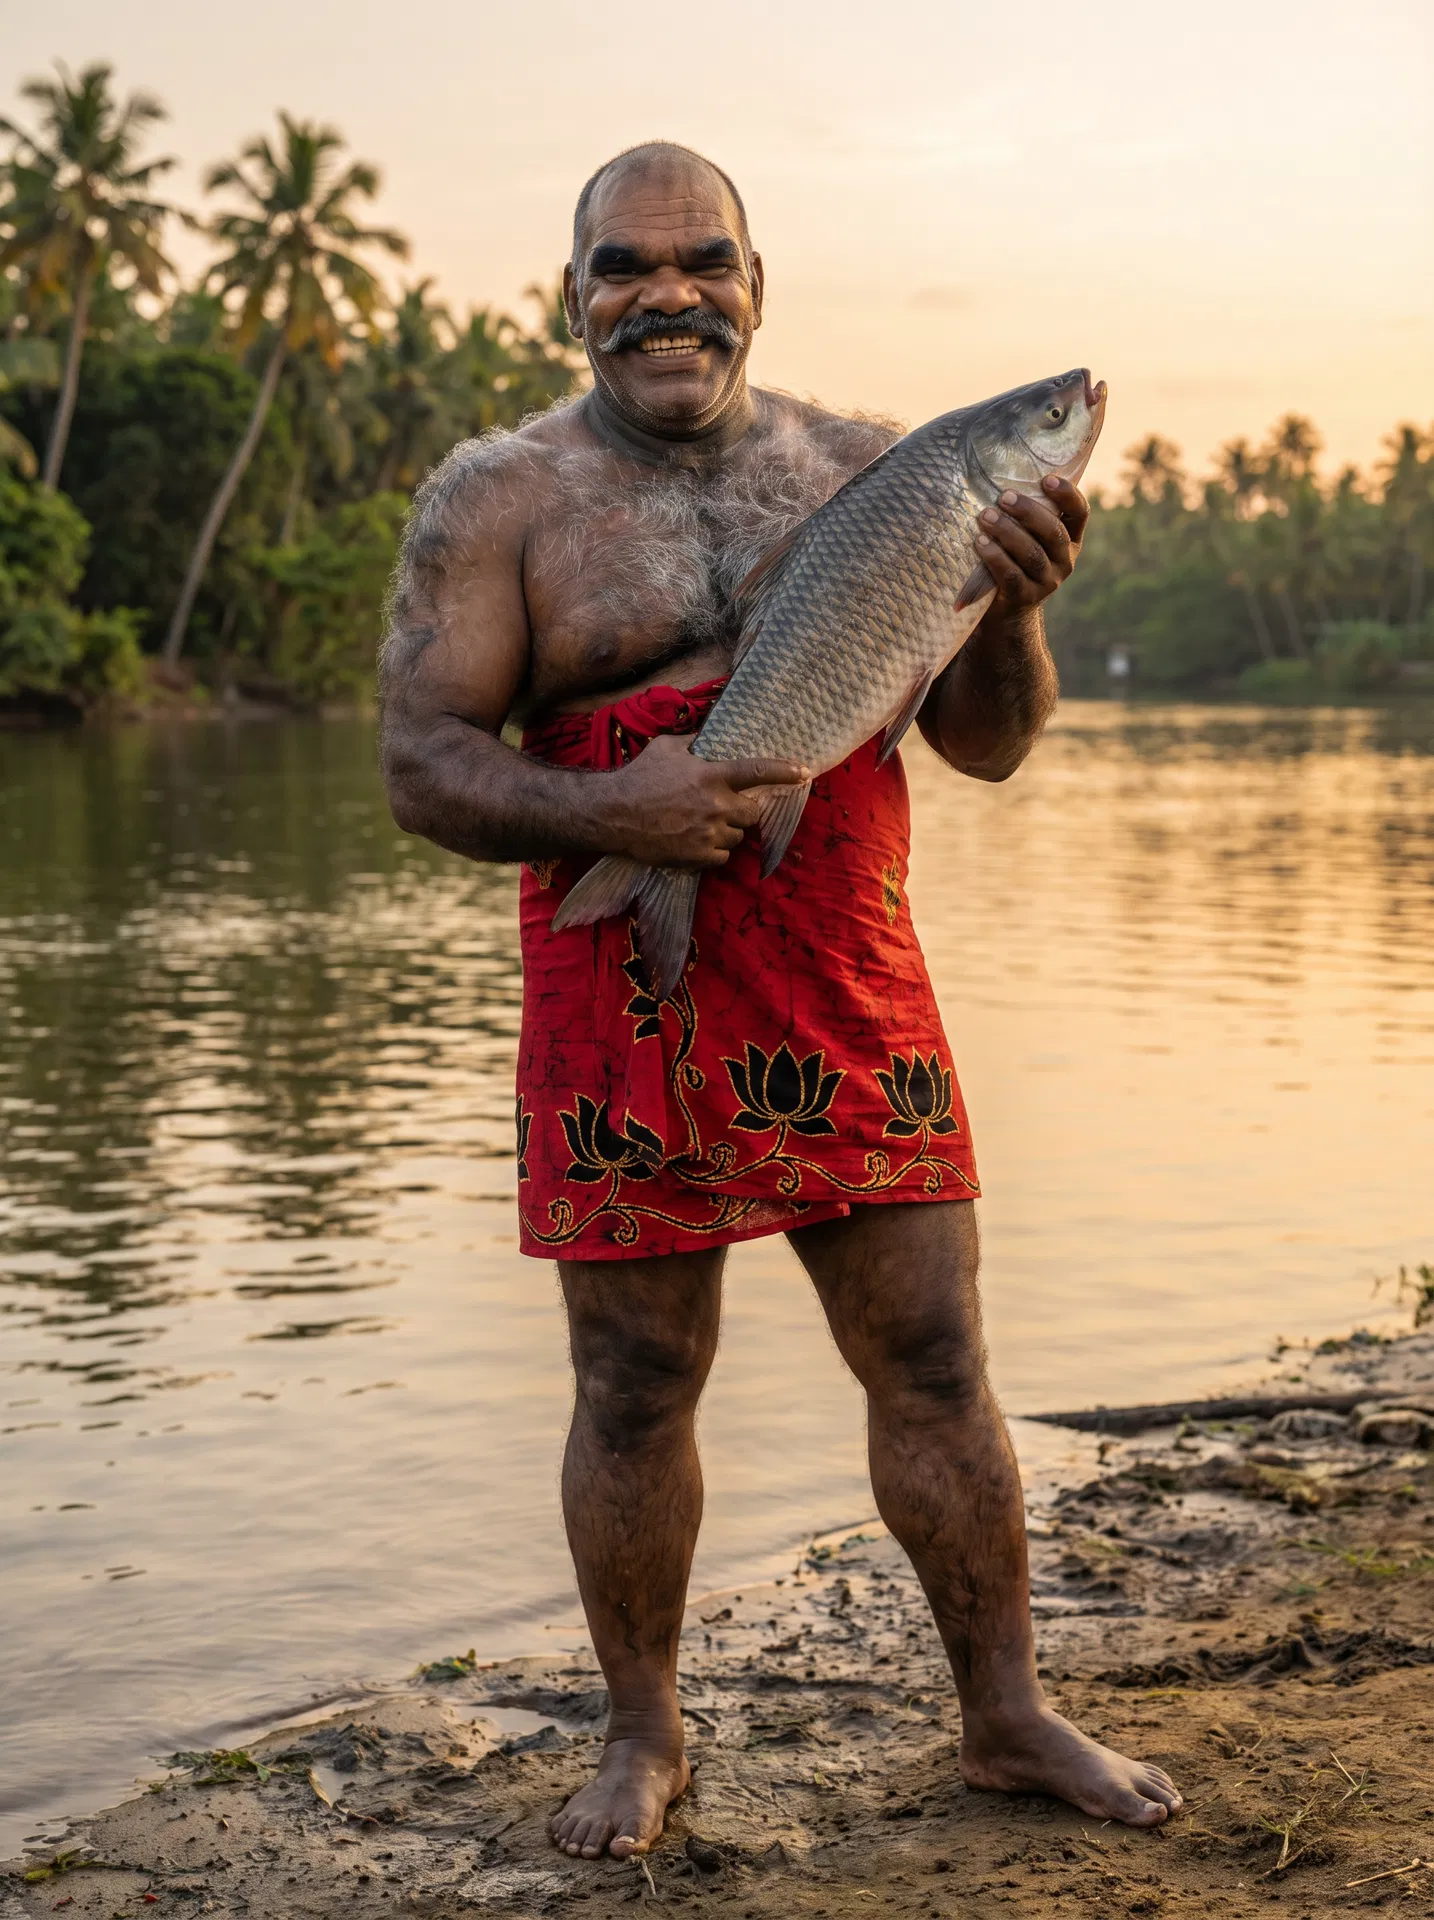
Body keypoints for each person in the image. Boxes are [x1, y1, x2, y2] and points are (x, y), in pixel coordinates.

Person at [379, 139, 1183, 1860]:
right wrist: (614, 815)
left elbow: (981, 746)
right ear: (574, 293)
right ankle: (643, 1736)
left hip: (841, 955)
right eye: (625, 264)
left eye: (703, 260)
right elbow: (417, 762)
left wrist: (1017, 610)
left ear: (756, 282)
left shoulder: (877, 472)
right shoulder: (496, 499)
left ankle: (1005, 1716)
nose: (666, 291)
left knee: (935, 1353)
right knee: (632, 1385)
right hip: (614, 963)